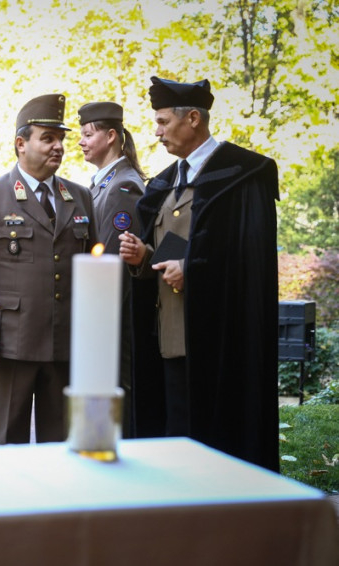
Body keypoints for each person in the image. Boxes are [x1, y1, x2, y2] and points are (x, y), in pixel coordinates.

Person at [119, 76, 279, 471]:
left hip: (219, 340)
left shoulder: (242, 175)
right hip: (169, 336)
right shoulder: (164, 184)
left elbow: (249, 258)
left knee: (212, 448)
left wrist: (191, 271)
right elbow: (172, 249)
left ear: (193, 118)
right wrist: (143, 257)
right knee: (174, 440)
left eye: (162, 122)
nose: (156, 133)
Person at [0, 94, 97, 445]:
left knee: (61, 441)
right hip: (10, 343)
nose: (58, 146)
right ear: (21, 144)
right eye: (47, 138)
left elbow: (94, 270)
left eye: (60, 139)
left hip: (65, 341)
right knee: (7, 438)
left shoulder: (80, 196)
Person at [77, 101, 146, 438]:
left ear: (111, 136)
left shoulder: (123, 187)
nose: (81, 141)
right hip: (103, 315)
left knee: (117, 394)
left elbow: (112, 262)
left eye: (88, 134)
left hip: (112, 318)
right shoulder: (103, 184)